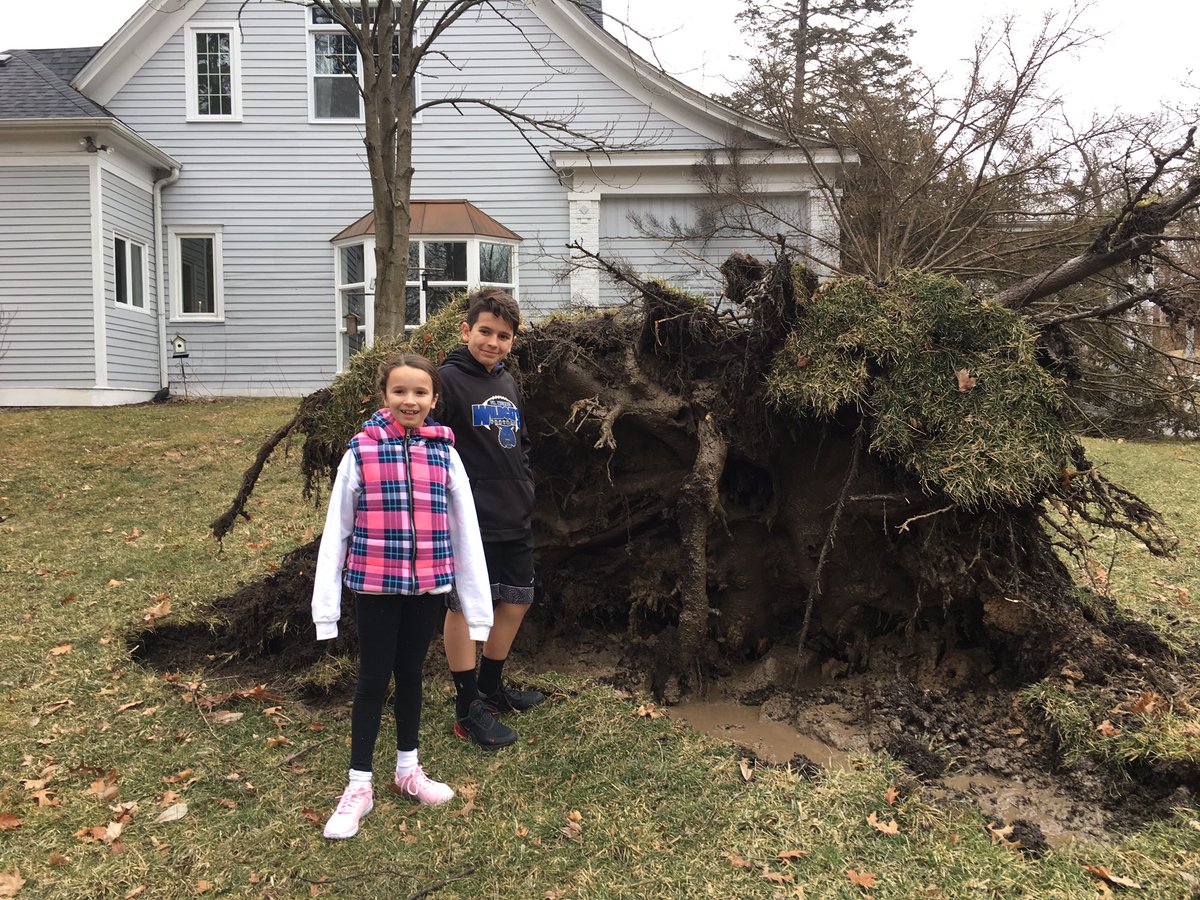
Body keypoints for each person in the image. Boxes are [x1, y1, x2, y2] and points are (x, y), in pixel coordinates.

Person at [311, 354, 493, 840]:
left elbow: (466, 531)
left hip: (428, 587)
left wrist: (477, 611)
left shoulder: (445, 455)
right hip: (374, 586)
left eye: (420, 393)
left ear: (434, 400)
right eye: (399, 392)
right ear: (383, 397)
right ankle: (358, 786)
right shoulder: (360, 453)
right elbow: (337, 531)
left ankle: (408, 770)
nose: (409, 401)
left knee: (411, 675)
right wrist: (325, 611)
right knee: (373, 679)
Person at [439, 288, 545, 750]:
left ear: (512, 341)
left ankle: (491, 689)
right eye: (485, 331)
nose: (493, 342)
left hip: (513, 511)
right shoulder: (445, 381)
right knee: (462, 610)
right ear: (466, 330)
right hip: (467, 519)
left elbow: (518, 442)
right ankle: (466, 711)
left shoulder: (507, 381)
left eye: (503, 336)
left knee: (517, 600)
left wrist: (526, 485)